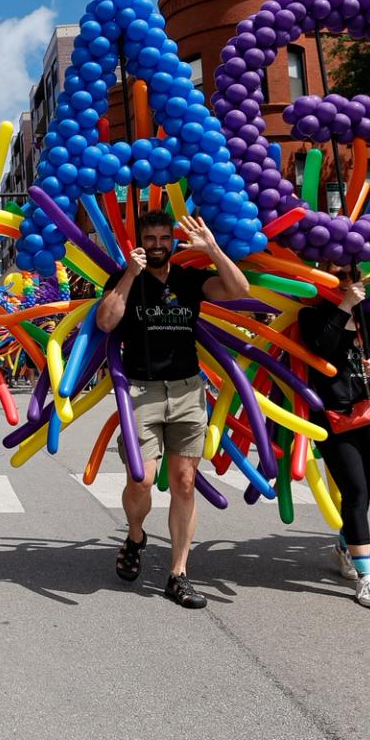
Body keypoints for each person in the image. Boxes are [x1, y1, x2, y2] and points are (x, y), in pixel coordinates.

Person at [94, 209, 252, 610]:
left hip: (186, 390)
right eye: (152, 239)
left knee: (184, 483)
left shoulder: (188, 280)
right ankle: (134, 535)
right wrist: (129, 274)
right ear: (141, 241)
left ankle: (178, 574)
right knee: (142, 480)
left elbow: (238, 289)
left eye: (165, 238)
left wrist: (213, 248)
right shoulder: (125, 277)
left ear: (173, 241)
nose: (159, 245)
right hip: (142, 392)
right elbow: (107, 322)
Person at [298, 263, 370, 610]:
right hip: (334, 416)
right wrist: (342, 307)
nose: (345, 282)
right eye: (336, 275)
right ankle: (367, 578)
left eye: (350, 276)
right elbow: (321, 348)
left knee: (365, 491)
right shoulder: (311, 317)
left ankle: (345, 543)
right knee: (353, 490)